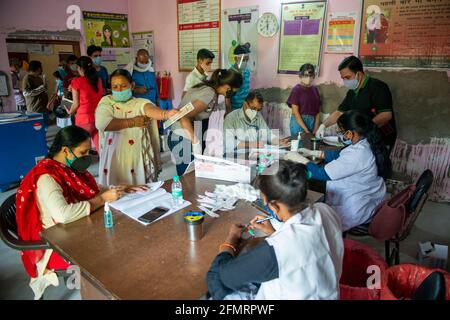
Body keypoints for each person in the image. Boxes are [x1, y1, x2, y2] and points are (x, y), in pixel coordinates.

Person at [15, 125, 147, 300]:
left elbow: (91, 190)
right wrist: (103, 199)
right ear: (65, 151)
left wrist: (121, 189)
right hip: (57, 246)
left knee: (124, 232)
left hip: (74, 230)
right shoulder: (47, 177)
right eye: (83, 152)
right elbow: (63, 214)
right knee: (117, 248)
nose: (87, 157)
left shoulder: (68, 168)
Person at [206, 160, 344, 300]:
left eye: (265, 202)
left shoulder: (277, 250)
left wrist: (231, 238)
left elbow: (220, 277)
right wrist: (273, 233)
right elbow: (305, 248)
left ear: (274, 207)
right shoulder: (326, 211)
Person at [285, 110, 391, 231]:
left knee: (311, 223)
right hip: (367, 197)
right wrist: (313, 152)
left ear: (350, 133)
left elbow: (323, 174)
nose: (340, 135)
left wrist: (300, 160)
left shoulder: (359, 153)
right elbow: (339, 154)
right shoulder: (366, 142)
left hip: (355, 207)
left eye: (341, 132)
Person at [95, 69, 178, 185]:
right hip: (113, 157)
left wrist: (166, 114)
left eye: (123, 86)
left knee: (139, 189)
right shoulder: (107, 101)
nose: (119, 90)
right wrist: (132, 122)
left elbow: (150, 109)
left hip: (136, 157)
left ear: (132, 85)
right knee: (114, 191)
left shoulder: (139, 102)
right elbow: (102, 123)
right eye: (115, 86)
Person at [168, 69, 243, 176]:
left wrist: (227, 98)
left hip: (183, 134)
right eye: (234, 91)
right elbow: (182, 116)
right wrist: (195, 143)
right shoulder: (209, 93)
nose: (234, 94)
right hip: (182, 137)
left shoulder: (209, 89)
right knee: (187, 178)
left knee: (192, 177)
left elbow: (227, 114)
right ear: (227, 87)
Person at [315, 56, 397, 152]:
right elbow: (339, 112)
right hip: (362, 139)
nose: (345, 81)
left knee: (378, 164)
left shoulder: (378, 87)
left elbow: (386, 115)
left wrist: (362, 131)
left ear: (359, 73)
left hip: (381, 138)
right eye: (343, 78)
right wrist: (323, 126)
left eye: (348, 77)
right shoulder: (352, 92)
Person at [223, 91, 288, 155]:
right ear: (245, 104)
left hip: (253, 154)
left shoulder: (258, 116)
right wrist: (252, 144)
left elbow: (267, 134)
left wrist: (278, 141)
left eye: (258, 110)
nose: (256, 112)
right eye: (253, 108)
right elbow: (228, 142)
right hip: (236, 156)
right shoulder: (231, 118)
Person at [67, 56, 103, 152]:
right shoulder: (98, 80)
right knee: (100, 145)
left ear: (79, 68)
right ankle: (106, 164)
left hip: (84, 119)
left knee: (80, 147)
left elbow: (75, 104)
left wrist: (69, 111)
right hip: (98, 116)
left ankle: (80, 165)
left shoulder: (76, 81)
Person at [287, 63, 321, 136]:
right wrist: (306, 130)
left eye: (310, 76)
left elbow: (317, 111)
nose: (308, 78)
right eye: (306, 76)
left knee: (309, 146)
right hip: (298, 123)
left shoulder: (315, 90)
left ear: (313, 76)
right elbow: (295, 113)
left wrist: (316, 128)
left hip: (311, 122)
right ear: (300, 75)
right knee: (299, 145)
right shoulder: (296, 90)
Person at [226, 44, 251, 113]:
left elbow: (247, 90)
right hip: (234, 110)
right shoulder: (231, 73)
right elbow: (227, 97)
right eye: (243, 59)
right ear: (236, 58)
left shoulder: (247, 71)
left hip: (246, 108)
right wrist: (229, 112)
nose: (245, 62)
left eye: (247, 59)